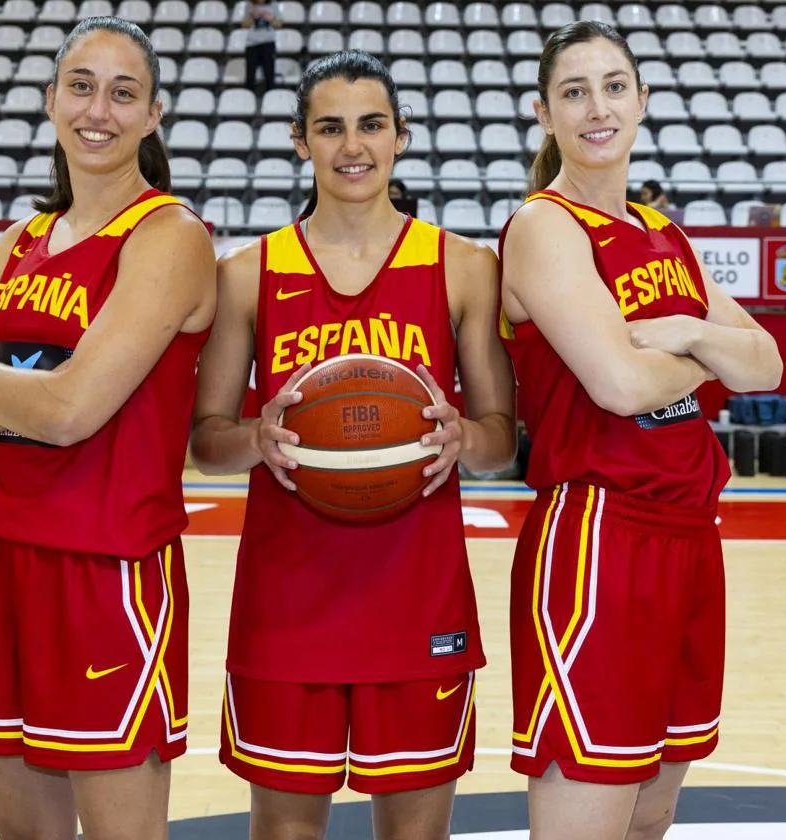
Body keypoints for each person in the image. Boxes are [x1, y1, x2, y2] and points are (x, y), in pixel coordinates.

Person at [190, 50, 517, 839]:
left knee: (415, 832)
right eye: (329, 128)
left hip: (418, 592)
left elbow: (502, 440)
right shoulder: (246, 271)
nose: (352, 146)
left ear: (401, 136)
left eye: (371, 125)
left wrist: (461, 433)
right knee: (284, 830)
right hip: (287, 596)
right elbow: (207, 440)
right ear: (300, 142)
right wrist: (256, 438)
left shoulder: (464, 266)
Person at [0, 17, 216, 840]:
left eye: (124, 94)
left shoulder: (170, 236)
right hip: (0, 555)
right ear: (51, 100)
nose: (99, 110)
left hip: (107, 571)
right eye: (81, 86)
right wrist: (25, 390)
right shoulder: (20, 240)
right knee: (26, 834)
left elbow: (69, 412)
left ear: (153, 116)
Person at [498, 22, 783, 840]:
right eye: (574, 91)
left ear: (643, 101)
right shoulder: (544, 226)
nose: (597, 107)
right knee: (590, 812)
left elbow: (765, 363)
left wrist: (688, 334)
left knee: (651, 814)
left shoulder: (667, 235)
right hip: (599, 537)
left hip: (691, 532)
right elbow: (619, 385)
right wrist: (707, 350)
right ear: (544, 114)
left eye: (614, 86)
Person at [242, 0, 283, 93]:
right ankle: (248, 100)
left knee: (269, 76)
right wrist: (253, 17)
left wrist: (269, 18)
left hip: (268, 43)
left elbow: (279, 24)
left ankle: (270, 100)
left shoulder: (274, 4)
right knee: (250, 77)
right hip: (251, 44)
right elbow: (244, 24)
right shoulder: (249, 5)